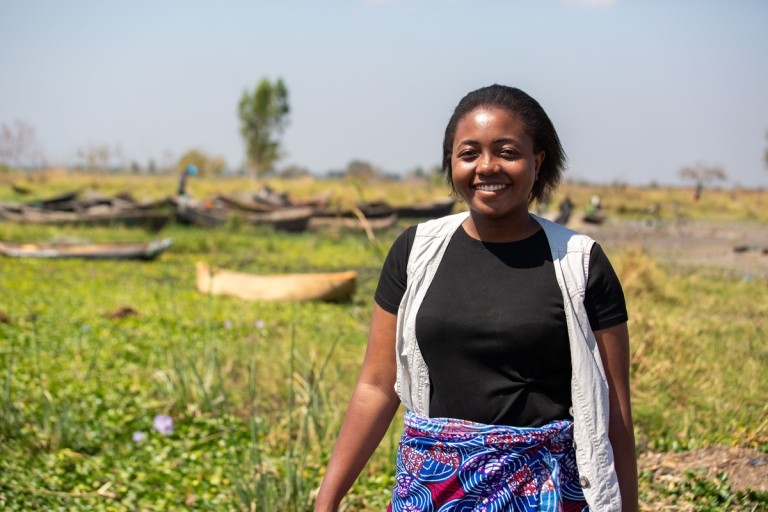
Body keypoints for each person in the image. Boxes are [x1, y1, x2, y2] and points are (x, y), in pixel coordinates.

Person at [314, 85, 637, 512]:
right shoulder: (416, 252)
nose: (487, 167)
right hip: (430, 493)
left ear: (537, 162)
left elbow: (614, 412)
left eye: (506, 151)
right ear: (451, 162)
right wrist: (327, 498)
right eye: (469, 154)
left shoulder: (579, 263)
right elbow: (376, 385)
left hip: (543, 494)